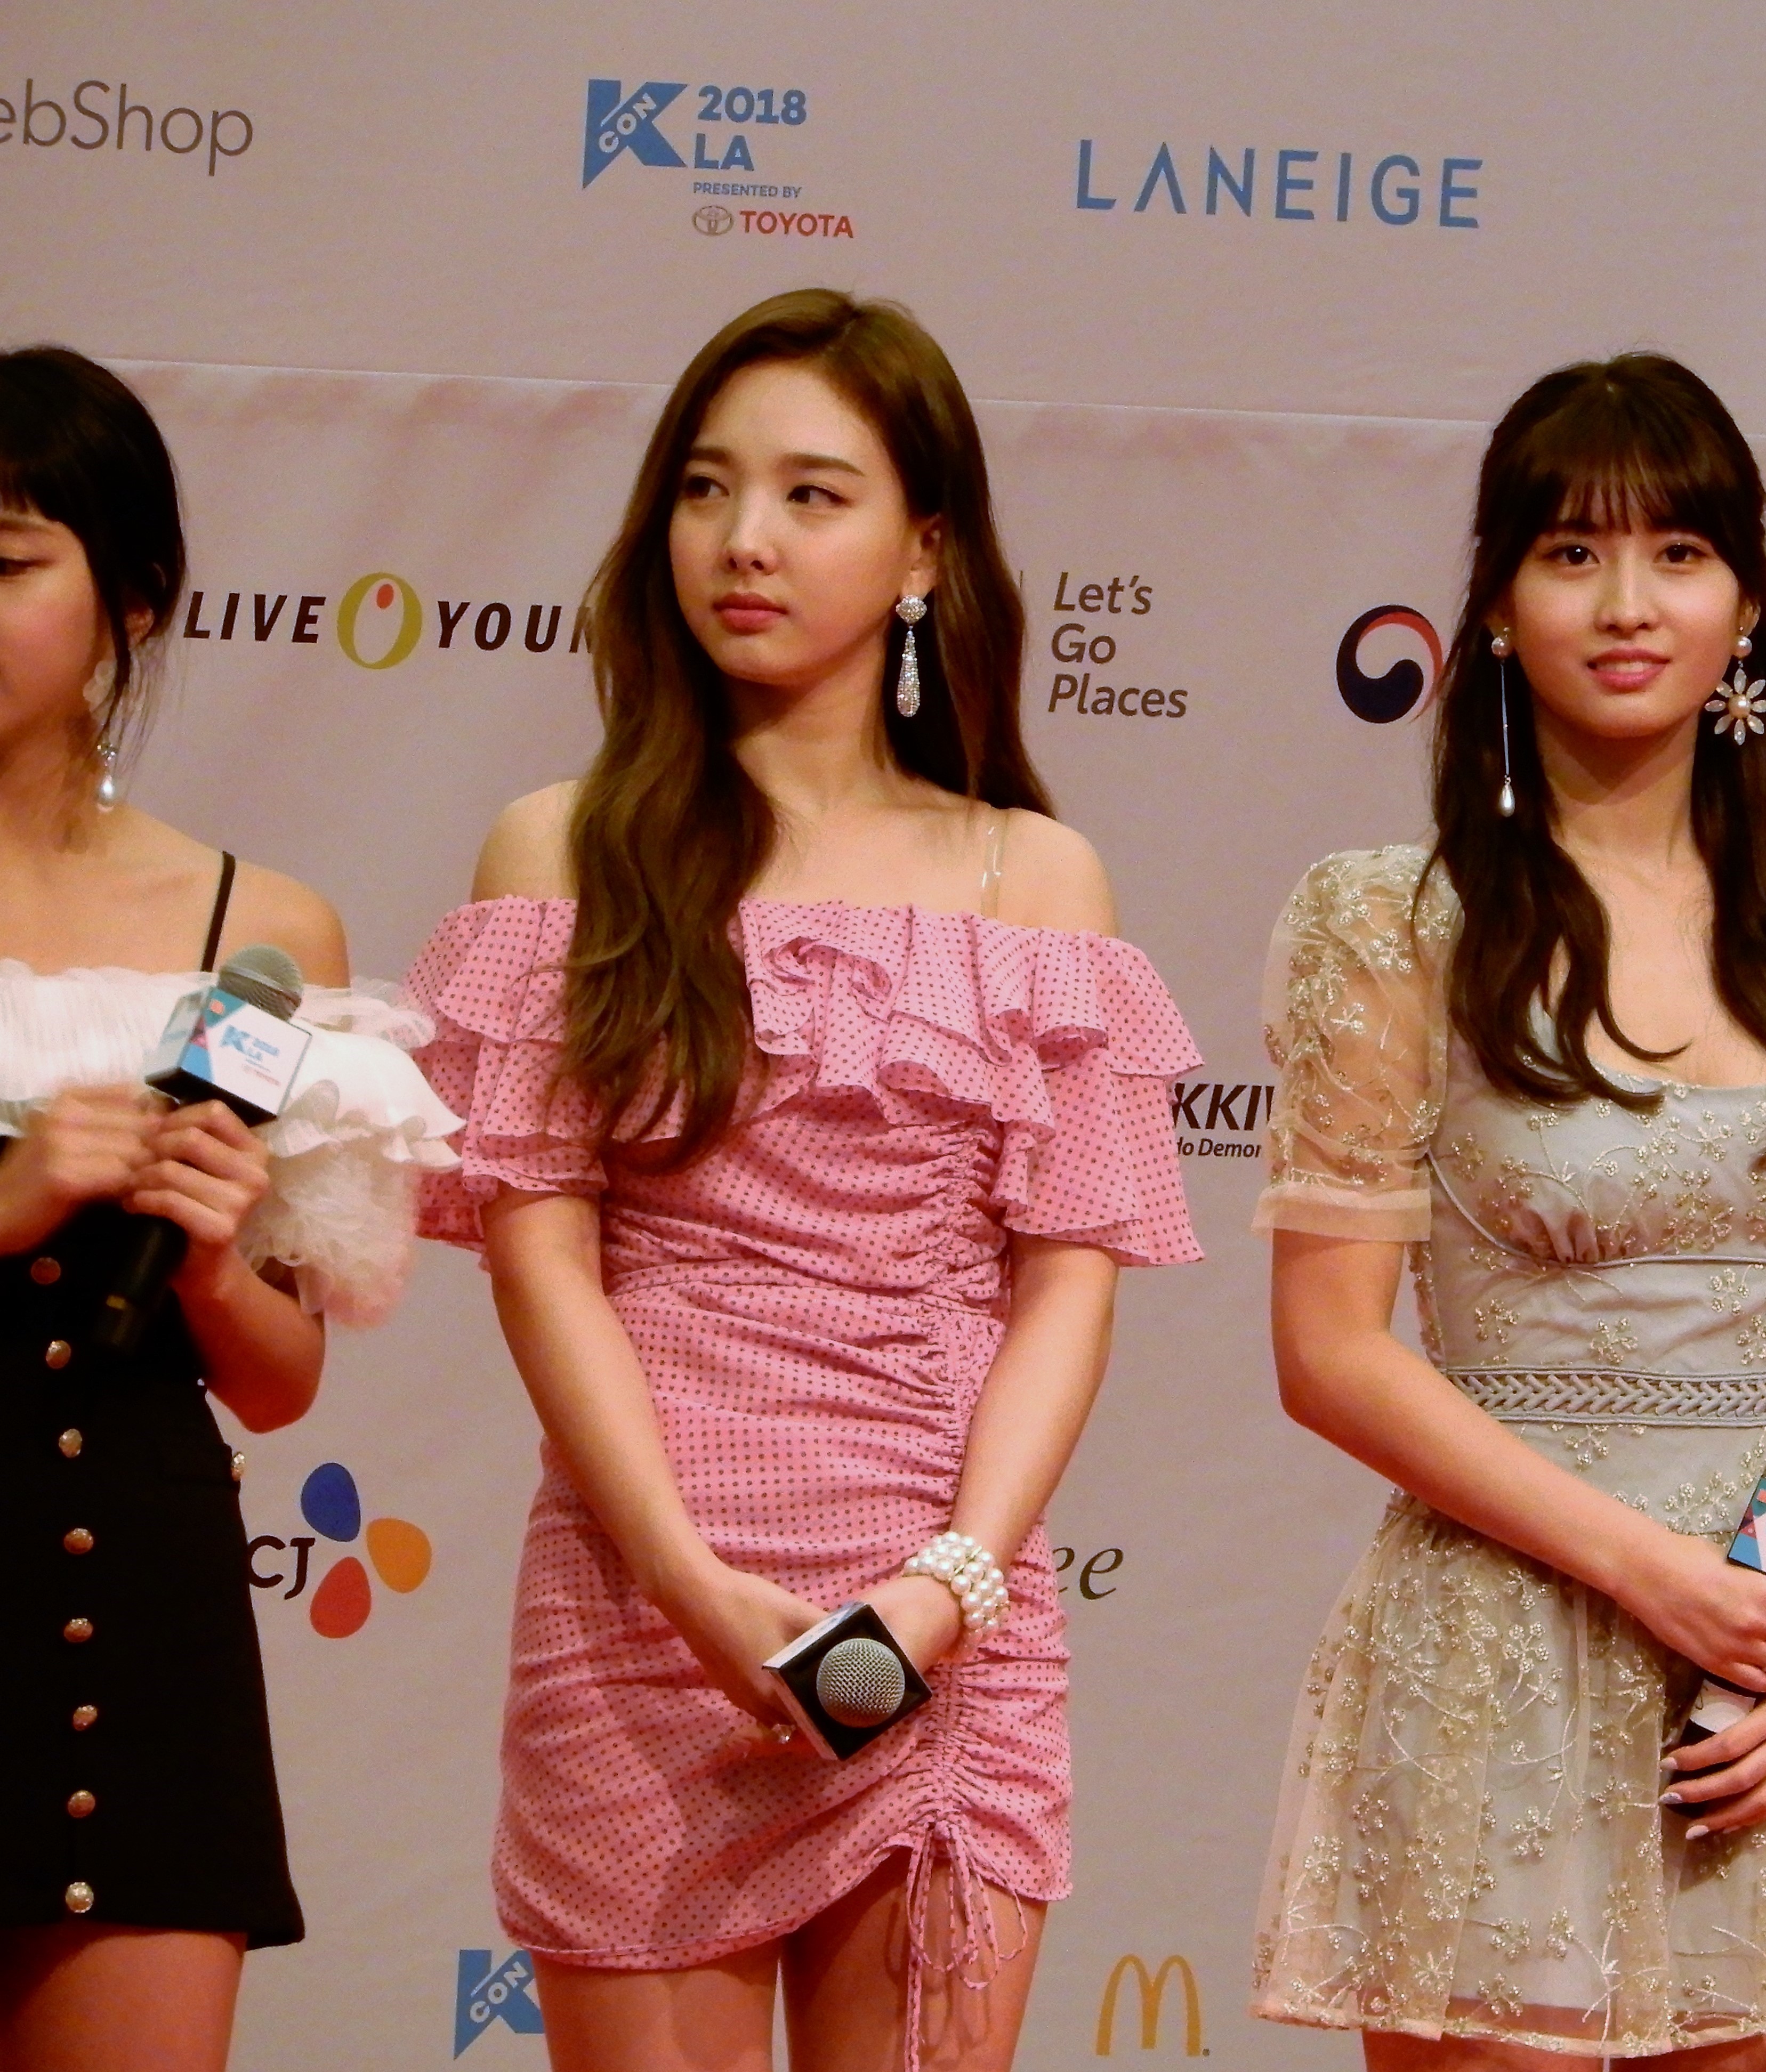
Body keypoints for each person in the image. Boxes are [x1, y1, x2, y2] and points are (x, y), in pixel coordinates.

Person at [405, 289, 1200, 2072]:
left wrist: (948, 1590)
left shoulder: (1032, 878)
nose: (743, 540)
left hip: (940, 1624)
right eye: (705, 488)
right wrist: (685, 1580)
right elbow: (543, 1262)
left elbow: (1066, 1290)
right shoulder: (565, 846)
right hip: (639, 1616)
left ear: (926, 550)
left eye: (810, 495)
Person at [1250, 353, 1766, 2065]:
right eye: (1572, 554)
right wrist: (1651, 1573)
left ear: (1748, 605)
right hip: (1504, 1641)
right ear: (1496, 606)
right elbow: (1330, 1353)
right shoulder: (1393, 921)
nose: (1628, 604)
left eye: (1679, 554)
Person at [0, 346, 457, 2071]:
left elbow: (279, 1383)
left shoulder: (258, 934)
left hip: (128, 1599)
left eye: (6, 563)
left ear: (132, 598)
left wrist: (207, 1258)